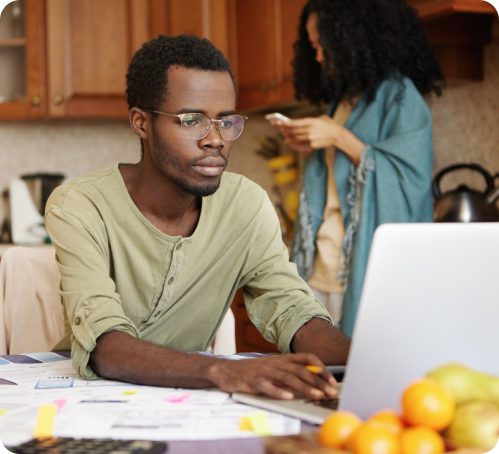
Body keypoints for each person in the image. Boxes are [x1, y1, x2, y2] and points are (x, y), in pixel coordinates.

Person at [45, 34, 351, 401]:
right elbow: (105, 345)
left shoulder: (246, 205)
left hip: (185, 400)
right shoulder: (79, 204)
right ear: (141, 123)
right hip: (83, 397)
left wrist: (372, 362)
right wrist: (224, 370)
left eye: (226, 121)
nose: (215, 139)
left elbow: (293, 309)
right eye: (192, 120)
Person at [272, 0, 444, 337]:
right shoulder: (344, 100)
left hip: (359, 270)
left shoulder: (399, 95)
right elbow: (348, 171)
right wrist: (315, 149)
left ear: (351, 38)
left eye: (322, 44)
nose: (318, 56)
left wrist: (337, 135)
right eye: (314, 47)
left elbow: (411, 179)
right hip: (321, 266)